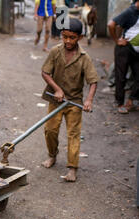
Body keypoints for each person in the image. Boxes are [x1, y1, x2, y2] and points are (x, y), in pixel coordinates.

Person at [40, 18, 98, 182]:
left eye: (72, 37)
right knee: (50, 130)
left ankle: (72, 168)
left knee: (73, 134)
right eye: (65, 36)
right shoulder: (55, 52)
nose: (67, 41)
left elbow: (93, 81)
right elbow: (45, 72)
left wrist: (89, 100)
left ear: (79, 37)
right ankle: (52, 155)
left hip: (74, 102)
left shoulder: (84, 57)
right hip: (56, 100)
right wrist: (57, 89)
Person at [107, 0, 139, 114]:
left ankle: (131, 100)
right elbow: (111, 24)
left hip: (136, 50)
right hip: (124, 49)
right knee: (121, 76)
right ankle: (119, 103)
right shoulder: (130, 11)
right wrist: (116, 40)